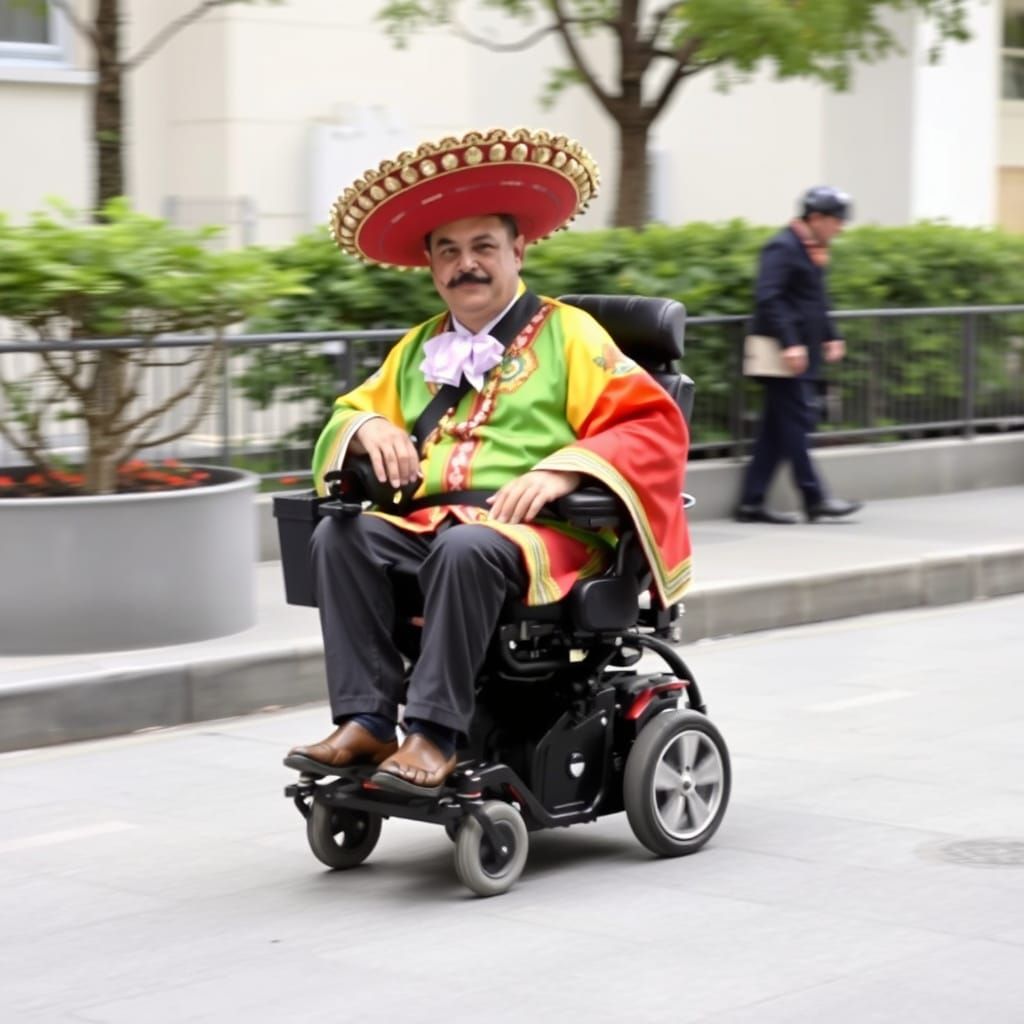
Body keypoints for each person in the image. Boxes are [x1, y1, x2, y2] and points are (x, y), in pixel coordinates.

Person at [288, 127, 693, 796]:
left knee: (467, 548)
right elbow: (344, 412)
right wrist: (364, 427)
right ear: (430, 264)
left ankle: (435, 736)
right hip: (433, 530)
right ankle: (365, 718)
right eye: (448, 252)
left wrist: (563, 468)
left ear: (517, 250)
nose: (465, 265)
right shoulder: (417, 347)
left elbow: (652, 424)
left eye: (482, 247)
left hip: (546, 537)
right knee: (339, 534)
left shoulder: (570, 333)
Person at [735, 185, 863, 524]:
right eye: (836, 220)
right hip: (781, 353)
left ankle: (751, 501)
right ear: (817, 217)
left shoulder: (810, 249)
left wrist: (830, 335)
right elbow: (769, 298)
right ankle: (815, 497)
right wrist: (791, 342)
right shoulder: (783, 246)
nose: (840, 228)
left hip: (797, 352)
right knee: (796, 424)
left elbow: (815, 300)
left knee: (777, 430)